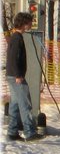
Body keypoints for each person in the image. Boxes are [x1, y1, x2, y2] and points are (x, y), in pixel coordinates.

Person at [5, 11, 40, 142]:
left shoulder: (15, 37)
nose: (31, 24)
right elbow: (14, 58)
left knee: (15, 104)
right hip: (16, 77)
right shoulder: (17, 38)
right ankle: (30, 132)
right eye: (30, 22)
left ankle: (12, 132)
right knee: (25, 103)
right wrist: (18, 75)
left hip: (11, 75)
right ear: (24, 24)